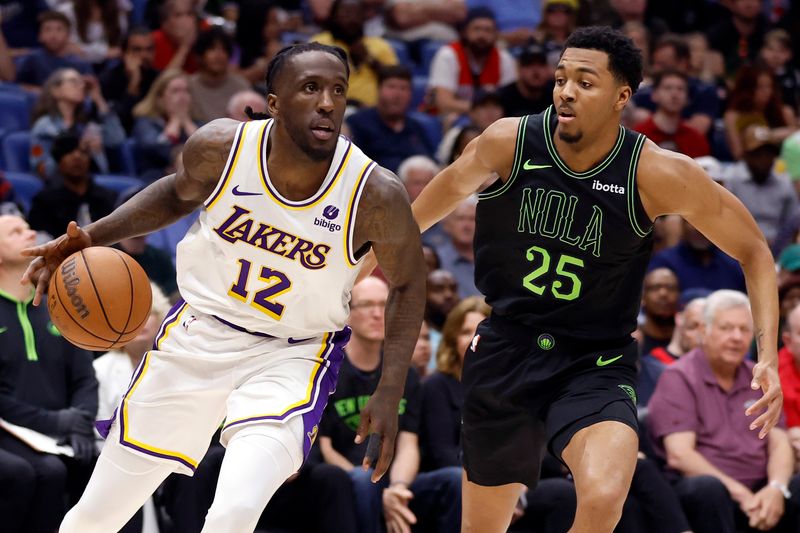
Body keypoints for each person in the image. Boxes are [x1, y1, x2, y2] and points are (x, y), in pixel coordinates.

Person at [22, 41, 427, 533]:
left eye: (338, 90)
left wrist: (391, 386)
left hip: (291, 356)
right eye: (311, 88)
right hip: (197, 336)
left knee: (234, 511)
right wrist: (89, 236)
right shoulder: (223, 147)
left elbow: (407, 283)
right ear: (274, 103)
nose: (327, 102)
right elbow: (175, 193)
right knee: (93, 517)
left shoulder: (374, 192)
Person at [399, 26, 782, 532]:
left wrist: (769, 355)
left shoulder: (655, 172)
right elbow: (420, 216)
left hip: (594, 360)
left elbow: (754, 250)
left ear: (622, 96)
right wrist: (361, 267)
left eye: (585, 81)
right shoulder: (510, 141)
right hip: (505, 349)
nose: (566, 91)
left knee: (604, 491)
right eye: (561, 79)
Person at [649, 290, 800, 533]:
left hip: (760, 489)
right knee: (708, 489)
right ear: (703, 332)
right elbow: (680, 455)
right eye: (726, 328)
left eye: (744, 329)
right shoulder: (678, 377)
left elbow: (780, 443)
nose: (736, 337)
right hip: (708, 490)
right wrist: (740, 493)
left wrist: (776, 488)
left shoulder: (759, 376)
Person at [318, 276, 461, 533]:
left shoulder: (406, 373)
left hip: (395, 479)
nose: (377, 314)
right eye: (367, 305)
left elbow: (408, 444)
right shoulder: (329, 370)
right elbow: (326, 450)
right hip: (348, 477)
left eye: (384, 305)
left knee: (454, 480)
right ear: (347, 313)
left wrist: (397, 488)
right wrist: (374, 487)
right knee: (362, 482)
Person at [0, 214, 99, 533]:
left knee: (105, 465)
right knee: (43, 472)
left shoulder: (61, 305)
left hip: (62, 433)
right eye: (16, 232)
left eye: (29, 227)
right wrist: (53, 423)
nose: (30, 233)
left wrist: (80, 422)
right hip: (10, 434)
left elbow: (85, 377)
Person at [638, 296, 706, 406]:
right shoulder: (650, 366)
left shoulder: (715, 371)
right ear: (679, 318)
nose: (700, 336)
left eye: (706, 329)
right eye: (693, 326)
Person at [633, 69, 710, 159]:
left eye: (680, 89)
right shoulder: (639, 137)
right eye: (667, 88)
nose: (674, 94)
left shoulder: (696, 140)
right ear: (654, 95)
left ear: (687, 97)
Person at [637, 267, 680, 355]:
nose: (663, 293)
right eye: (655, 287)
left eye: (670, 287)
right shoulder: (634, 339)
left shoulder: (685, 339)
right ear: (643, 297)